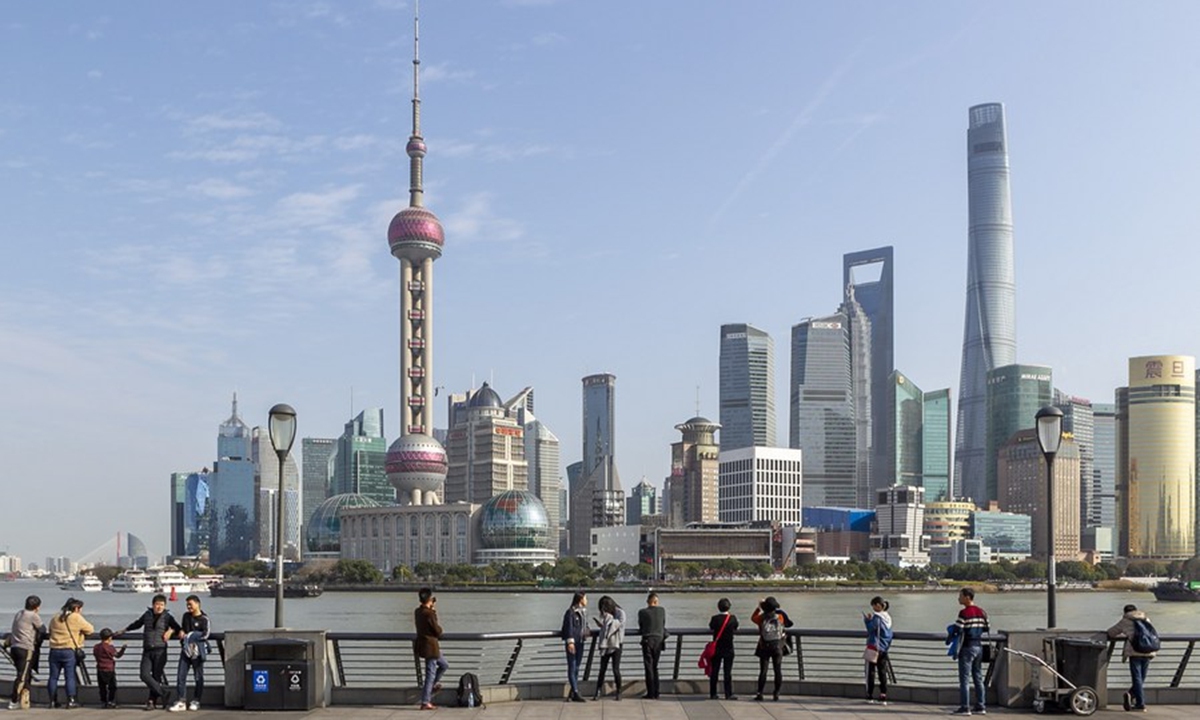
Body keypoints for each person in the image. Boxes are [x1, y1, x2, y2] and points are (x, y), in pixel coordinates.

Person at [120, 593, 181, 711]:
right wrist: (125, 630)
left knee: (156, 677)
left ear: (165, 606)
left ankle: (151, 702)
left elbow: (178, 628)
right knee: (144, 675)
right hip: (147, 650)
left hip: (160, 650)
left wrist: (170, 631)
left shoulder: (167, 617)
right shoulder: (147, 615)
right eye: (157, 604)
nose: (159, 607)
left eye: (162, 605)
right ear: (153, 605)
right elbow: (137, 624)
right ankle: (163, 693)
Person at [1107, 603, 1156, 712]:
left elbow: (1111, 632)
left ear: (1125, 612)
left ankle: (1140, 704)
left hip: (1135, 651)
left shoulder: (1125, 620)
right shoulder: (1146, 618)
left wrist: (1125, 634)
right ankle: (1131, 695)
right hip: (1148, 650)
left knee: (1137, 678)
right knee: (1141, 678)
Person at [47, 597, 93, 709]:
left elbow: (50, 630)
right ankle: (71, 700)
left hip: (54, 650)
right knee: (70, 677)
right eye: (80, 608)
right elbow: (90, 629)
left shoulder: (55, 617)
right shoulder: (75, 617)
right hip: (68, 650)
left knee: (53, 677)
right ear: (76, 608)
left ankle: (53, 701)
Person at [167, 595, 210, 712]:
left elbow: (205, 634)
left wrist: (191, 635)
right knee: (181, 676)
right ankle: (181, 701)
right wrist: (180, 632)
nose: (188, 607)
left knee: (198, 677)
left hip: (197, 652)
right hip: (185, 651)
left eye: (190, 604)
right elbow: (183, 629)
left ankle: (196, 700)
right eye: (187, 605)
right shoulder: (186, 616)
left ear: (197, 604)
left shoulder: (204, 619)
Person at [951, 587, 989, 716]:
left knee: (964, 679)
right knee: (978, 678)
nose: (958, 598)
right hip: (979, 646)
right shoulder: (982, 612)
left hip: (967, 647)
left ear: (967, 597)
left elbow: (958, 629)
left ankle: (965, 707)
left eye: (960, 596)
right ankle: (980, 706)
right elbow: (986, 628)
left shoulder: (964, 613)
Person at [751, 596, 793, 702]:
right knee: (777, 670)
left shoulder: (761, 618)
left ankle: (760, 693)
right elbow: (789, 624)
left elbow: (753, 618)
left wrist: (759, 607)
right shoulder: (780, 617)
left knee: (763, 671)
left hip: (764, 646)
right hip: (778, 646)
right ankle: (776, 693)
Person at [8, 595, 44, 710]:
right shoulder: (33, 616)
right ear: (37, 607)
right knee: (22, 676)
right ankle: (13, 701)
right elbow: (43, 629)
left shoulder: (19, 613)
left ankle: (24, 700)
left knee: (24, 674)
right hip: (26, 648)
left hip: (14, 647)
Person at [414, 588, 448, 711]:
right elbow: (437, 631)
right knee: (430, 674)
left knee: (444, 665)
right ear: (429, 599)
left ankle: (431, 687)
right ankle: (425, 701)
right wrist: (433, 611)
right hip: (431, 647)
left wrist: (430, 608)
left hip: (424, 645)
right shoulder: (429, 614)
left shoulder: (418, 611)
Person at [592, 596, 625, 701]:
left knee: (616, 669)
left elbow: (617, 625)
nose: (602, 610)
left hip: (617, 644)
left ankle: (619, 691)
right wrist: (602, 625)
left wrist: (608, 621)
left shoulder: (620, 613)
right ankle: (597, 691)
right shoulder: (607, 615)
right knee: (602, 669)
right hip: (606, 644)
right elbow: (606, 627)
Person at [863, 596, 894, 705]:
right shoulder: (888, 618)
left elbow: (871, 629)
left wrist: (867, 620)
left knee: (870, 673)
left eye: (873, 605)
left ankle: (870, 695)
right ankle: (883, 695)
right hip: (884, 649)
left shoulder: (877, 617)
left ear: (878, 605)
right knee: (882, 672)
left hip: (874, 648)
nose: (873, 608)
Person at [707, 598, 739, 701]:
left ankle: (713, 693)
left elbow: (711, 627)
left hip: (717, 648)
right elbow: (736, 627)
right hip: (729, 648)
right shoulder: (732, 618)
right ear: (729, 607)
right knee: (727, 672)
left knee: (714, 671)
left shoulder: (715, 618)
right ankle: (728, 694)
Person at [560, 592, 589, 703]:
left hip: (581, 642)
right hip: (573, 642)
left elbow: (585, 625)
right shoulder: (570, 612)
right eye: (585, 598)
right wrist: (570, 641)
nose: (587, 600)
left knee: (577, 666)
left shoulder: (583, 613)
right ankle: (576, 692)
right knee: (572, 666)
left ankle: (573, 691)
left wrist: (588, 631)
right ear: (580, 599)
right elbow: (568, 627)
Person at [637, 592, 667, 699]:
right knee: (655, 667)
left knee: (648, 667)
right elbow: (663, 624)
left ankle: (651, 693)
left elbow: (641, 625)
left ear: (648, 602)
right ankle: (657, 692)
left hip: (647, 640)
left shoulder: (642, 612)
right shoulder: (662, 611)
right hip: (658, 640)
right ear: (656, 601)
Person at [93, 628, 127, 709]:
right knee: (112, 687)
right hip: (109, 669)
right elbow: (117, 655)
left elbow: (95, 655)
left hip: (100, 669)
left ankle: (103, 702)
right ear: (110, 638)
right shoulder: (110, 647)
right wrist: (123, 649)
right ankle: (111, 701)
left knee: (102, 687)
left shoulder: (96, 647)